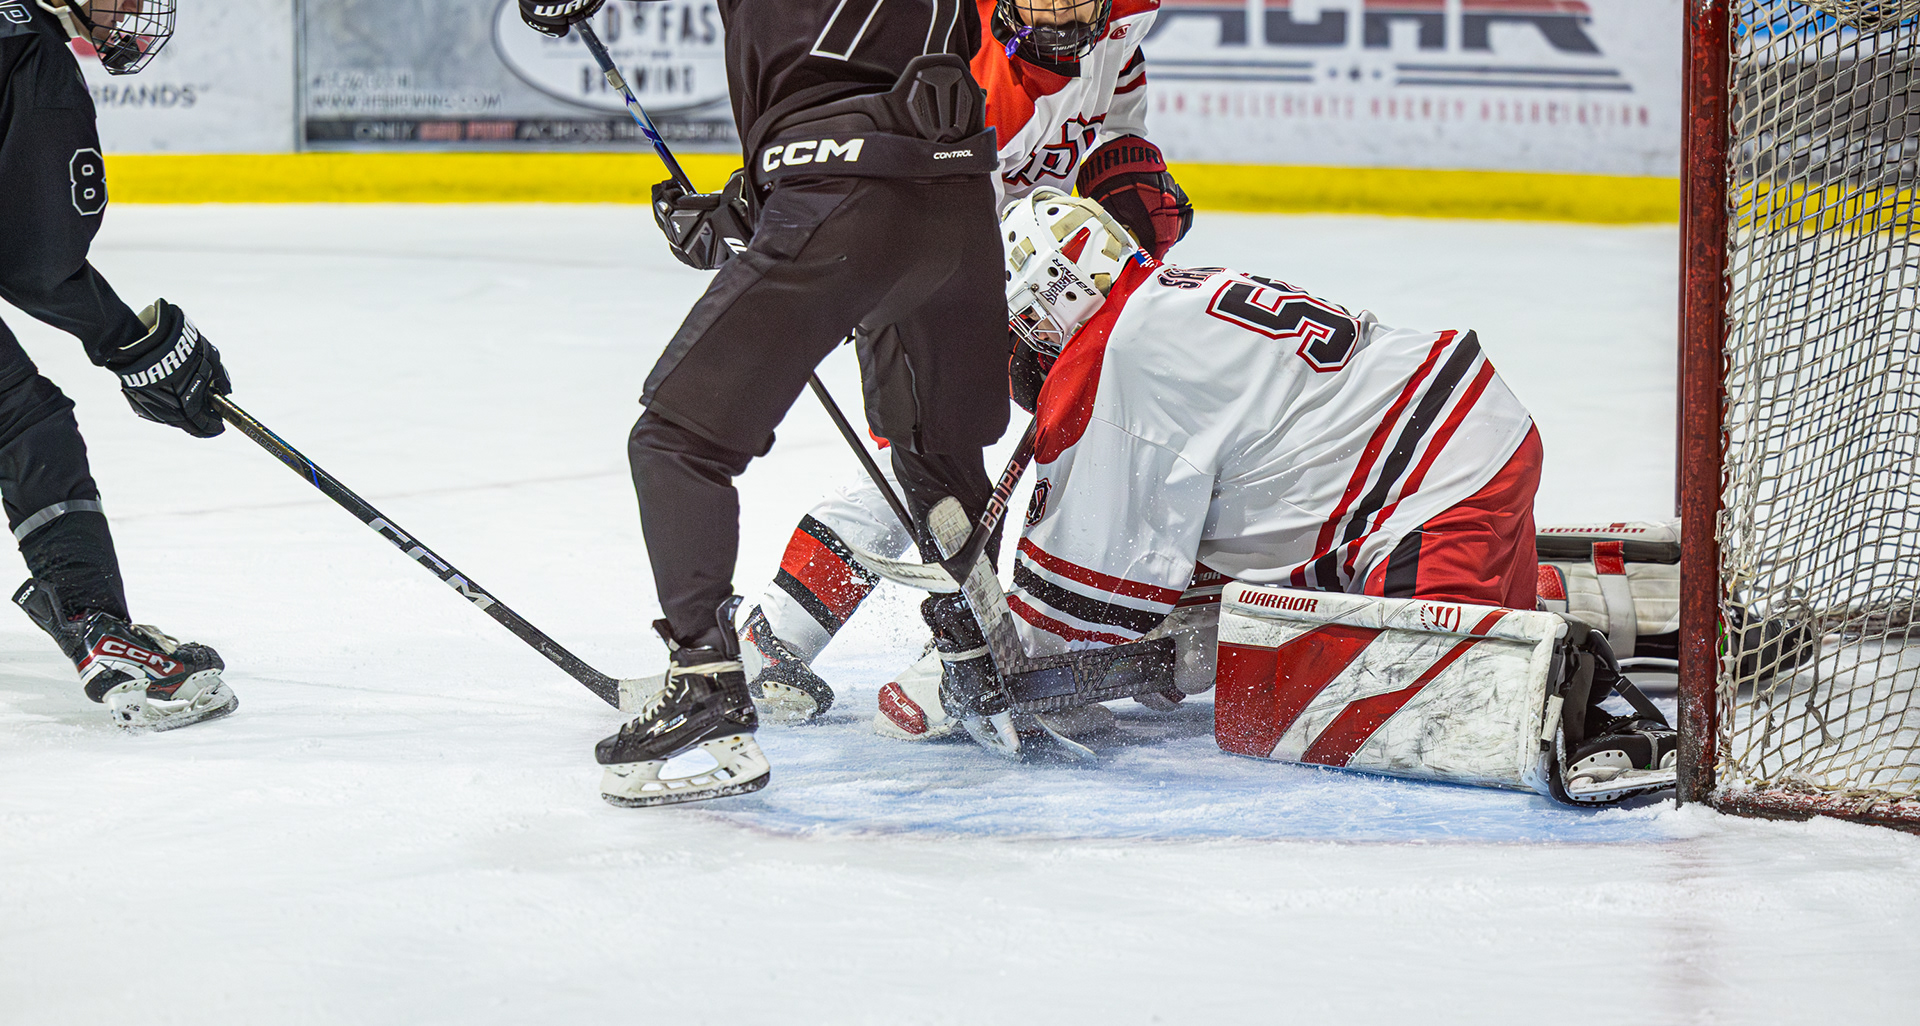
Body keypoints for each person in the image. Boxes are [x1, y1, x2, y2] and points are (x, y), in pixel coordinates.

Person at [518, 0, 1013, 807]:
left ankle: (705, 684)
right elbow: (864, 78)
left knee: (674, 440)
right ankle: (980, 655)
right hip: (958, 207)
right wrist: (748, 207)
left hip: (844, 198)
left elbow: (835, 116)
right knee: (934, 443)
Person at [735, 0, 1194, 726]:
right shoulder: (954, 56)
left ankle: (1057, 626)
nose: (1067, 9)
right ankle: (832, 636)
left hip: (1037, 262)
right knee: (931, 463)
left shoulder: (1124, 14)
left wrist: (1121, 168)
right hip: (935, 252)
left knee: (1083, 428)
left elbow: (1115, 99)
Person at [0, 1, 237, 732]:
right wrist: (132, 345)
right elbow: (35, 260)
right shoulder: (30, 50)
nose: (137, 8)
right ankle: (97, 627)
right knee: (25, 425)